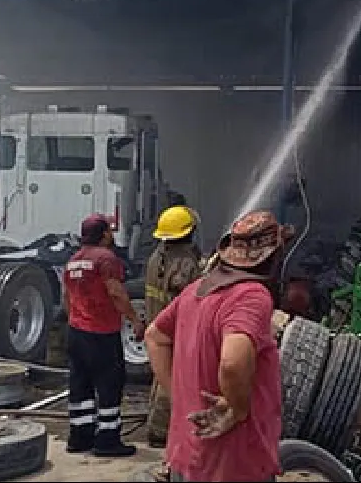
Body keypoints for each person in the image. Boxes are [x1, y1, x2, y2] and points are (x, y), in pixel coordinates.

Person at [144, 210, 288, 482]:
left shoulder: (195, 291)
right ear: (272, 256)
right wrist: (238, 408)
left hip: (187, 457)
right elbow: (233, 362)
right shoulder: (251, 295)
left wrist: (179, 396)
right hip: (234, 465)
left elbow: (155, 337)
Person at [63, 213, 146, 457]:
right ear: (103, 234)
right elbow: (116, 292)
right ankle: (107, 440)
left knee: (81, 386)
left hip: (76, 333)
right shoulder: (106, 258)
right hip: (101, 334)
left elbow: (67, 298)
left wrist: (76, 321)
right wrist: (134, 320)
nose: (112, 234)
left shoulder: (73, 260)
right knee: (109, 385)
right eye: (109, 230)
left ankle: (80, 437)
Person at [143, 205, 203, 448]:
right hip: (175, 328)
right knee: (172, 380)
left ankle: (155, 425)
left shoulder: (156, 257)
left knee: (159, 377)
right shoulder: (187, 264)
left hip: (156, 323)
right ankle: (160, 431)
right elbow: (196, 294)